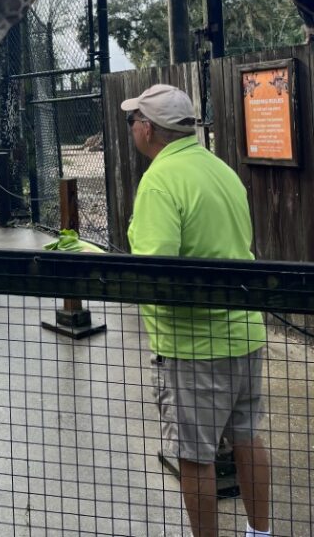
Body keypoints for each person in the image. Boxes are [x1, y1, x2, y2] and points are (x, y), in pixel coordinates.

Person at [122, 84, 270, 537]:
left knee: (194, 455)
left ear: (148, 128)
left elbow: (155, 271)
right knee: (247, 438)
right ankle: (260, 534)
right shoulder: (221, 169)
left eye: (133, 121)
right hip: (246, 333)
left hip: (192, 345)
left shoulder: (161, 180)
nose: (131, 128)